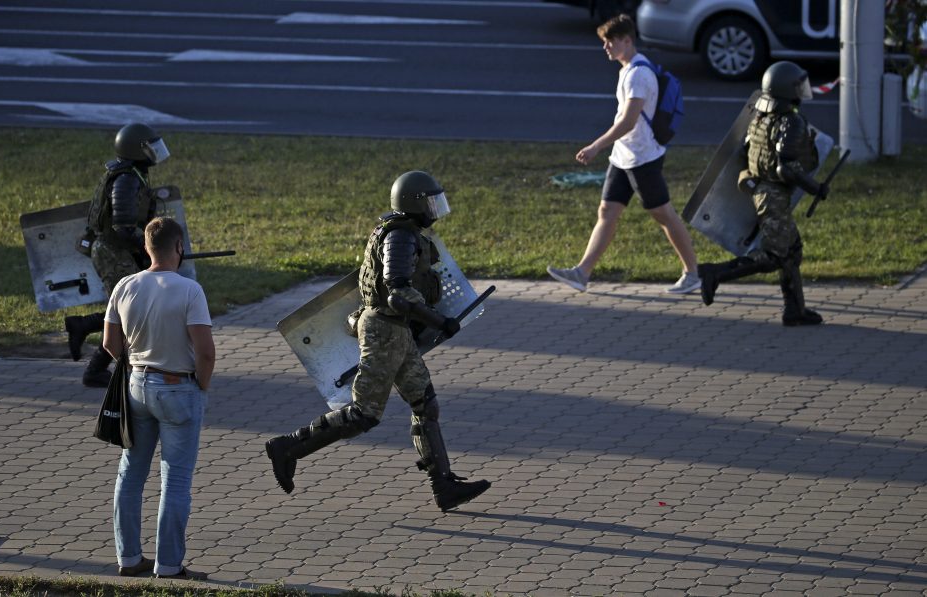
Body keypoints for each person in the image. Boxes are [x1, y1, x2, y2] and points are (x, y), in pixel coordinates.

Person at [266, 171, 491, 512]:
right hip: (385, 330)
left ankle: (442, 486)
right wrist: (440, 321)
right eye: (431, 202)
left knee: (425, 404)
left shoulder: (405, 233)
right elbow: (398, 295)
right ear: (413, 203)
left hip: (396, 332)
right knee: (363, 414)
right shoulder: (399, 237)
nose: (435, 210)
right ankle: (288, 447)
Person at [546, 14, 700, 295]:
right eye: (604, 42)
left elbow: (628, 121)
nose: (605, 47)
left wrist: (596, 146)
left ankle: (692, 273)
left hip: (643, 158)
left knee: (663, 214)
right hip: (624, 155)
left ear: (627, 41)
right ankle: (582, 273)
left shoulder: (639, 74)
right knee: (607, 211)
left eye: (610, 41)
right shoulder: (628, 69)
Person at [102, 216, 215, 580]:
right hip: (179, 388)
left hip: (136, 385)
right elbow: (205, 352)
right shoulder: (189, 291)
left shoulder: (125, 286)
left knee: (130, 474)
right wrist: (202, 385)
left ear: (147, 248)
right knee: (176, 480)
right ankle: (168, 565)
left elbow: (109, 344)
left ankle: (129, 558)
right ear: (179, 247)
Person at [697, 61, 827, 326]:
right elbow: (786, 168)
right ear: (787, 89)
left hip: (762, 190)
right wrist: (816, 188)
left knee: (792, 251)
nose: (803, 90)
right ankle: (715, 273)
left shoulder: (761, 116)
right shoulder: (791, 122)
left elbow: (748, 151)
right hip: (774, 194)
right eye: (798, 85)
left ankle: (795, 310)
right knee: (776, 255)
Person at [66, 122, 170, 387]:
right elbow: (123, 228)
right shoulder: (125, 181)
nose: (155, 153)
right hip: (113, 251)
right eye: (150, 148)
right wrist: (150, 250)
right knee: (129, 313)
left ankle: (84, 330)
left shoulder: (134, 174)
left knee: (129, 310)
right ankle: (94, 367)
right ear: (136, 150)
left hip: (120, 249)